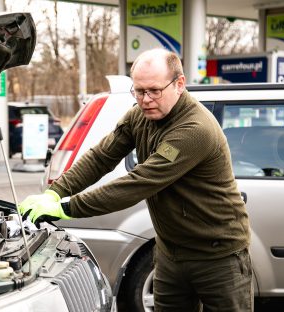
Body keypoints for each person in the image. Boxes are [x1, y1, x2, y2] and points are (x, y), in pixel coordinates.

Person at [19, 48, 252, 312]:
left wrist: (66, 208)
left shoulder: (194, 130)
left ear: (179, 84)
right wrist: (55, 192)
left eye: (154, 90)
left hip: (218, 256)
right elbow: (101, 157)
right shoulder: (138, 116)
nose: (145, 99)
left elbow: (138, 183)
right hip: (170, 253)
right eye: (139, 91)